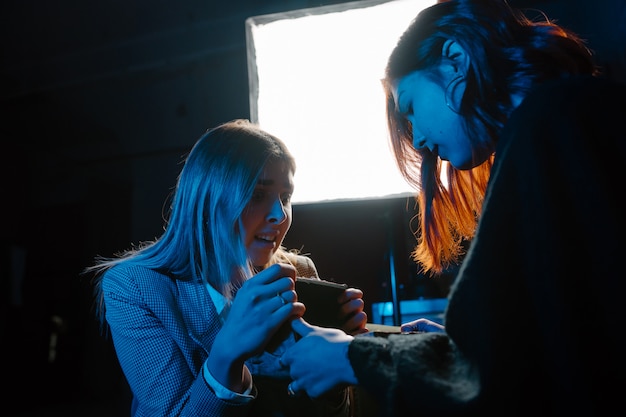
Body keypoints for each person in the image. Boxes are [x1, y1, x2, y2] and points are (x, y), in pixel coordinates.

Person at [279, 1, 626, 416]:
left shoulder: (551, 123)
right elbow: (554, 343)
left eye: (409, 108)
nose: (420, 140)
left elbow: (518, 384)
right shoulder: (566, 117)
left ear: (456, 59)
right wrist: (448, 348)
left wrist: (353, 358)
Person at [84, 119, 367, 417]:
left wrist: (335, 365)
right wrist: (228, 354)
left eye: (285, 197)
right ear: (210, 198)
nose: (279, 215)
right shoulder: (136, 286)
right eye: (258, 195)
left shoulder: (297, 271)